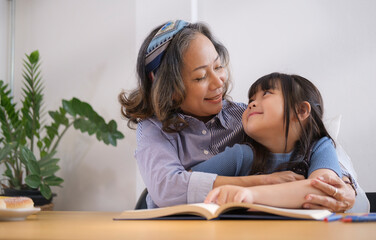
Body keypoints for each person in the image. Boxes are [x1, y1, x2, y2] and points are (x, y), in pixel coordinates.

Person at [119, 20, 362, 211]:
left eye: (218, 66)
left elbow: (314, 139)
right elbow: (167, 188)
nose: (218, 83)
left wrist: (343, 183)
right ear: (169, 89)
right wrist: (257, 183)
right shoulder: (153, 130)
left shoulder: (246, 117)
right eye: (200, 77)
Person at [193, 72, 344, 209]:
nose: (250, 104)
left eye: (266, 93)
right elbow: (189, 182)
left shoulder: (320, 147)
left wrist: (251, 195)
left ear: (301, 110)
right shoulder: (241, 155)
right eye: (251, 99)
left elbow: (324, 189)